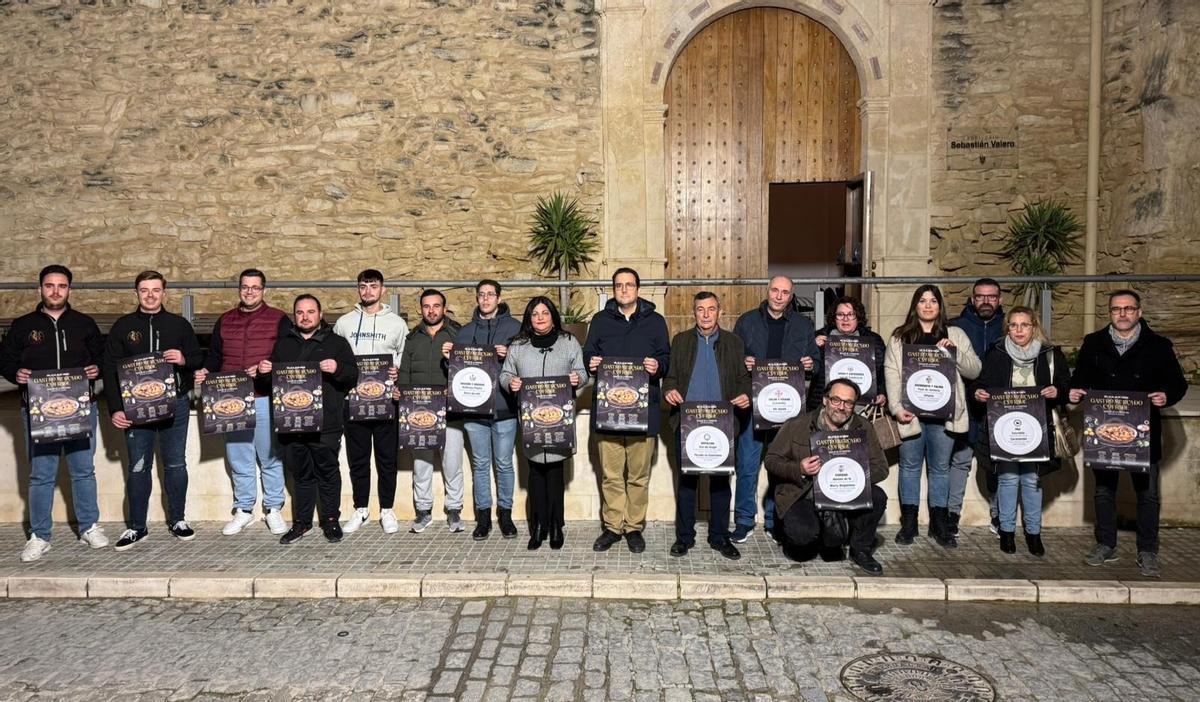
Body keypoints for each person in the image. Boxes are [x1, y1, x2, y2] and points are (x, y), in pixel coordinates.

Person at [1070, 289, 1188, 577]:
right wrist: (1073, 392)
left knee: (1147, 494)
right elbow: (1079, 380)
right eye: (1116, 309)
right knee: (1103, 491)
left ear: (1139, 312)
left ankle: (1147, 549)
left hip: (1143, 431)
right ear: (1110, 312)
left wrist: (1166, 395)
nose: (1122, 314)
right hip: (1104, 430)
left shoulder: (1158, 345)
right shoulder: (1094, 343)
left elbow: (1177, 384)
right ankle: (1106, 544)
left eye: (1128, 309)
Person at [1, 265, 107, 561]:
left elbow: (102, 357)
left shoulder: (85, 324)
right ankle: (40, 535)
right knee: (41, 475)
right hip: (39, 411)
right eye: (50, 286)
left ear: (69, 290)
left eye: (61, 286)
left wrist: (97, 369)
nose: (56, 291)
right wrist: (15, 373)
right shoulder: (22, 325)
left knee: (83, 470)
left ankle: (89, 527)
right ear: (40, 289)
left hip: (80, 408)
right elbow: (5, 359)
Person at [103, 271, 203, 551]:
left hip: (175, 404)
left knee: (176, 464)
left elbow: (197, 358)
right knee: (138, 466)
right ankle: (137, 527)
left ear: (164, 293)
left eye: (155, 290)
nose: (150, 295)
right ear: (136, 293)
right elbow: (110, 370)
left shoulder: (179, 325)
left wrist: (183, 359)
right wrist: (115, 409)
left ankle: (178, 520)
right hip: (135, 408)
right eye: (144, 290)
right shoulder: (123, 326)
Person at [883, 284, 981, 549]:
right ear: (915, 305)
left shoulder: (955, 334)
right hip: (910, 415)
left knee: (940, 469)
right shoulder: (900, 337)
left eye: (933, 301)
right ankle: (909, 524)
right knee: (909, 468)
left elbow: (974, 370)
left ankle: (939, 525)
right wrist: (896, 407)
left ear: (940, 305)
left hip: (944, 417)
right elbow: (891, 372)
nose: (928, 305)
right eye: (922, 300)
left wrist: (954, 353)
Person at [196, 268, 290, 537]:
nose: (250, 292)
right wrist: (206, 370)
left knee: (270, 456)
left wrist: (267, 368)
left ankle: (273, 508)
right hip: (231, 397)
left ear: (264, 290)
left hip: (264, 396)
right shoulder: (225, 320)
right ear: (239, 289)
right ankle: (244, 509)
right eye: (245, 287)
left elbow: (286, 356)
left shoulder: (279, 319)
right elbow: (215, 356)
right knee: (239, 457)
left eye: (255, 287)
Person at [583, 267, 671, 554]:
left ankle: (633, 527)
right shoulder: (600, 320)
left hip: (643, 412)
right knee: (610, 475)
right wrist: (591, 362)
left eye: (629, 285)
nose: (624, 290)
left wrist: (658, 366)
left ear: (638, 289)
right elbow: (588, 353)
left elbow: (666, 357)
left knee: (638, 476)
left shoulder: (655, 321)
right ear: (613, 289)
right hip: (608, 411)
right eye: (619, 285)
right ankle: (612, 527)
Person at [970, 307, 1069, 556]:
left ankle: (1033, 533)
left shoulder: (1050, 354)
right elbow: (981, 383)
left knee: (1032, 480)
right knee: (1008, 478)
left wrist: (1057, 391)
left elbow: (1066, 386)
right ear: (1007, 329)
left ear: (1034, 327)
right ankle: (1006, 532)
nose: (1019, 330)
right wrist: (978, 393)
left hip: (1037, 429)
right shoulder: (997, 352)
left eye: (1024, 325)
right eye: (1013, 325)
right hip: (1004, 428)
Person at [765, 379, 890, 575]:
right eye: (836, 400)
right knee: (802, 540)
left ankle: (860, 549)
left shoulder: (863, 427)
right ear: (825, 400)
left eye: (848, 402)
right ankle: (804, 537)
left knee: (878, 496)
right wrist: (799, 468)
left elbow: (881, 468)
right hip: (805, 493)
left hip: (846, 491)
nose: (841, 407)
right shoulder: (797, 425)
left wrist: (855, 474)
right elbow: (771, 460)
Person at [262, 294, 358, 544]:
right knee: (301, 474)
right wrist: (264, 371)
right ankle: (302, 522)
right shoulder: (284, 345)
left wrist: (337, 368)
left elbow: (353, 377)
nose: (305, 317)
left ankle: (330, 520)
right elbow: (272, 381)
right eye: (300, 312)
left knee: (328, 472)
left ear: (320, 314)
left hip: (326, 423)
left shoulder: (337, 343)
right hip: (292, 422)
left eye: (310, 312)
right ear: (294, 316)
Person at [662, 292, 750, 560]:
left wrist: (746, 394)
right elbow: (670, 378)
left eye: (711, 309)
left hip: (722, 423)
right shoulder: (681, 341)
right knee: (686, 483)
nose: (706, 314)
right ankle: (684, 538)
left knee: (720, 484)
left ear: (720, 312)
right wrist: (669, 391)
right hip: (688, 423)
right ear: (694, 313)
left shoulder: (734, 342)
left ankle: (720, 537)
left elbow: (743, 379)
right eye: (701, 309)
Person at [731, 275, 818, 543]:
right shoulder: (747, 321)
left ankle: (774, 520)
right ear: (767, 291)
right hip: (753, 406)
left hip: (788, 410)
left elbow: (816, 361)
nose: (779, 296)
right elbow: (731, 357)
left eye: (785, 292)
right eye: (775, 290)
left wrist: (810, 364)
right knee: (747, 466)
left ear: (791, 296)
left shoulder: (803, 325)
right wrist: (742, 361)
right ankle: (744, 521)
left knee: (780, 467)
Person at [499, 297, 588, 550]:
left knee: (556, 473)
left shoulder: (568, 342)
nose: (540, 317)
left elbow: (583, 374)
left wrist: (577, 378)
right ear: (529, 318)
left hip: (559, 420)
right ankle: (538, 526)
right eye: (535, 313)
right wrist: (511, 383)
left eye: (545, 313)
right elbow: (505, 374)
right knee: (536, 473)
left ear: (553, 316)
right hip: (532, 420)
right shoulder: (519, 345)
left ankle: (556, 525)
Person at [332, 269, 408, 535]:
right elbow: (337, 357)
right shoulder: (344, 323)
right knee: (358, 459)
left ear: (382, 289)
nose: (368, 291)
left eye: (373, 286)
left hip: (386, 401)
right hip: (354, 400)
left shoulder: (397, 324)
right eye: (363, 286)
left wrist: (397, 371)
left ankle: (387, 509)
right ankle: (361, 509)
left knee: (387, 459)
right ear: (358, 289)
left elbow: (403, 356)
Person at [447, 279, 521, 540]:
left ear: (499, 298)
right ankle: (483, 517)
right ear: (477, 298)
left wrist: (510, 353)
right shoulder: (465, 332)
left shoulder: (515, 328)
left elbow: (525, 361)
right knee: (480, 464)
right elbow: (456, 372)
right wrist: (448, 358)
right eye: (481, 294)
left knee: (504, 464)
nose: (486, 299)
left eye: (491, 294)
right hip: (474, 410)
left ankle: (506, 515)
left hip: (505, 407)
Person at [398, 289, 466, 534]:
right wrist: (401, 395)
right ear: (421, 309)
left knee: (452, 462)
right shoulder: (412, 337)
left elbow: (468, 369)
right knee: (421, 463)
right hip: (419, 410)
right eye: (427, 306)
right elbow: (404, 371)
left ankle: (454, 509)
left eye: (436, 306)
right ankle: (423, 510)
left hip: (450, 410)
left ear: (444, 308)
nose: (431, 310)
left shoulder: (458, 333)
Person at [948, 277, 1006, 536]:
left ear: (999, 300)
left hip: (998, 408)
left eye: (991, 297)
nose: (985, 301)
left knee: (996, 463)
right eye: (980, 296)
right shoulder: (955, 327)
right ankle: (951, 514)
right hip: (964, 405)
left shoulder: (1008, 327)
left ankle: (999, 515)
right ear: (972, 299)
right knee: (960, 461)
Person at [808, 295, 887, 408]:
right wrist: (812, 348)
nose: (845, 319)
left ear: (858, 317)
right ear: (834, 318)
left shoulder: (874, 340)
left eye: (851, 314)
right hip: (825, 405)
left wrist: (882, 392)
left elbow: (883, 372)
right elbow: (806, 373)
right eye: (840, 314)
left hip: (862, 406)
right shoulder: (819, 337)